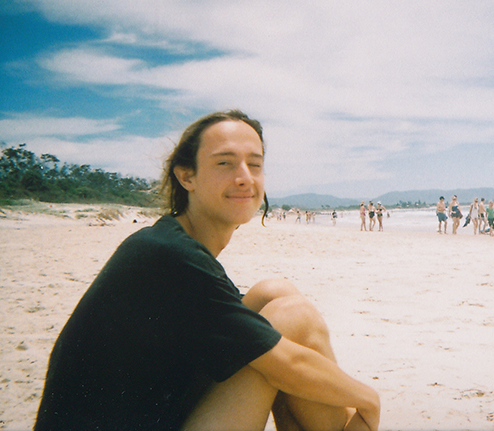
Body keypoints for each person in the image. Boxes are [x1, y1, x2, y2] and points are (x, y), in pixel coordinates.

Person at [34, 110, 380, 431]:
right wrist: (368, 400)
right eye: (225, 163)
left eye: (255, 164)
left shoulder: (170, 241)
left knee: (273, 292)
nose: (244, 178)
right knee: (294, 319)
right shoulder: (167, 256)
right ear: (187, 176)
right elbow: (289, 365)